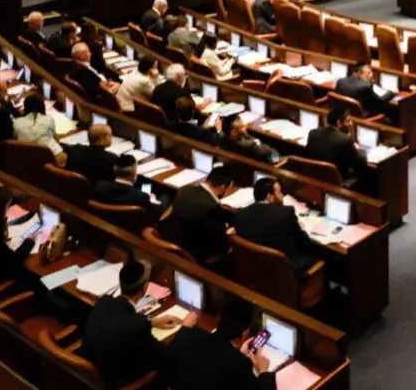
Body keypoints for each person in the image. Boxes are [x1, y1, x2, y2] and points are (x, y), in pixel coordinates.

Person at [83, 260, 181, 388]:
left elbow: (120, 320)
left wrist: (151, 321)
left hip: (93, 372)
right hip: (118, 381)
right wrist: (185, 329)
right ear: (145, 288)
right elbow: (165, 355)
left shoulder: (103, 302)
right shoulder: (136, 327)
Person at [233, 177, 318, 276]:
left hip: (255, 269)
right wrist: (301, 227)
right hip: (288, 270)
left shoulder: (240, 214)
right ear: (269, 196)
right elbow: (305, 243)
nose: (282, 196)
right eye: (279, 193)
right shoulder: (285, 213)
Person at [169, 316, 276, 390]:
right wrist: (263, 371)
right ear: (245, 332)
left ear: (220, 319)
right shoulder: (241, 364)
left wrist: (239, 354)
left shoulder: (193, 336)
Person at [159, 166, 234, 264]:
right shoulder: (214, 209)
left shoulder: (185, 189)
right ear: (223, 187)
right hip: (188, 253)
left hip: (167, 237)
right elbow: (218, 246)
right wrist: (228, 234)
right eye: (228, 188)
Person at [306, 107, 367, 184]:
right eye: (348, 121)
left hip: (316, 177)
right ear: (339, 123)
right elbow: (361, 163)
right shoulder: (344, 140)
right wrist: (359, 148)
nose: (351, 123)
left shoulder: (313, 133)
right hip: (337, 181)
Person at [93, 154, 162, 219]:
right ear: (134, 172)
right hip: (131, 229)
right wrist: (153, 201)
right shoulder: (141, 197)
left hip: (104, 222)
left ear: (115, 170)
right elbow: (156, 214)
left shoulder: (99, 186)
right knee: (166, 196)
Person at [13, 92, 63, 161]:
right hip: (52, 157)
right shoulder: (49, 118)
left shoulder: (16, 122)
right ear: (43, 106)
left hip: (27, 158)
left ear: (25, 107)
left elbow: (15, 138)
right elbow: (54, 135)